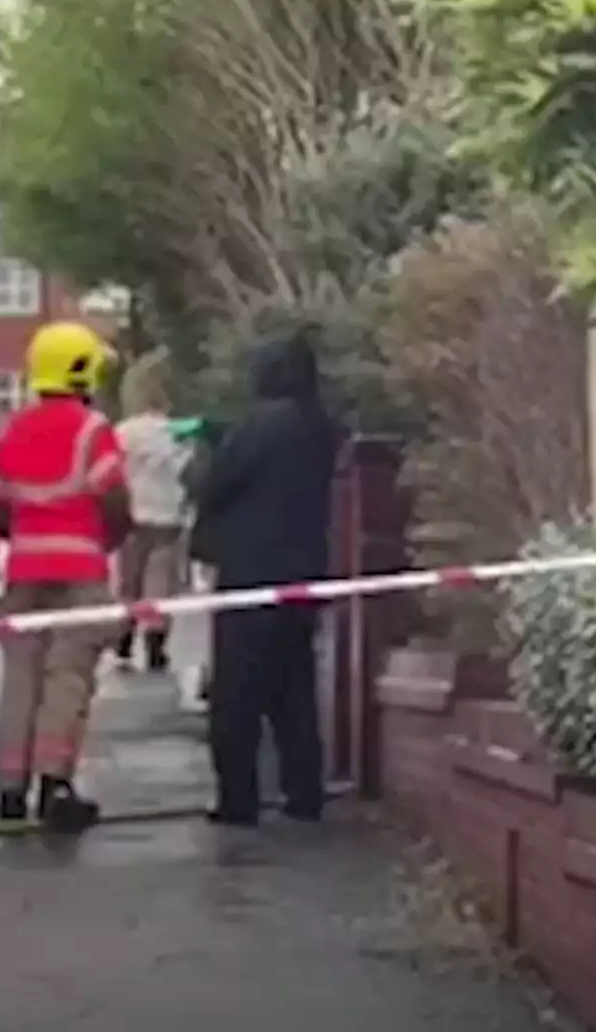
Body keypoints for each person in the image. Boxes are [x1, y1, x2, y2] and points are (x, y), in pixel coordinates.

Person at [0, 321, 131, 833]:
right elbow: (114, 498)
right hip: (79, 570)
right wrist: (105, 540)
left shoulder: (10, 428)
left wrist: (21, 535)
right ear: (82, 370)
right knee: (67, 677)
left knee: (20, 676)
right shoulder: (92, 430)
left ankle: (8, 788)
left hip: (24, 571)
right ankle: (54, 785)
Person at [190, 331, 341, 827]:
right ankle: (304, 792)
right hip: (304, 572)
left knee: (237, 692)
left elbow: (213, 487)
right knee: (293, 689)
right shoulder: (322, 426)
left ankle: (238, 799)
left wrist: (210, 449)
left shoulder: (259, 426)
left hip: (250, 573)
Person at [113, 353, 190, 672]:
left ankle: (124, 636)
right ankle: (156, 642)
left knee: (129, 581)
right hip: (167, 516)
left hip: (132, 514)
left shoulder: (123, 432)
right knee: (160, 581)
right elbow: (186, 470)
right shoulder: (177, 432)